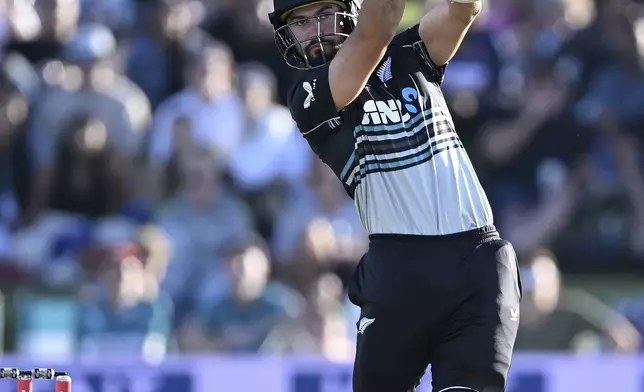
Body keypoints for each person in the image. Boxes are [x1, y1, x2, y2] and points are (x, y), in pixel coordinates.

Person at [268, 0, 522, 391]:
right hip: (399, 271)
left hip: (478, 263)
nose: (313, 31)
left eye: (322, 15)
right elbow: (377, 26)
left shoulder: (410, 54)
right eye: (299, 23)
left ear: (347, 10)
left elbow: (464, 9)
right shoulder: (308, 94)